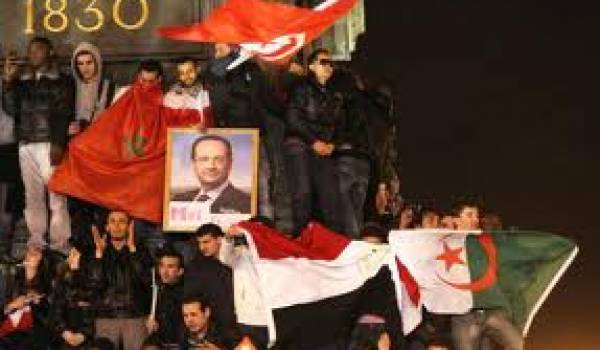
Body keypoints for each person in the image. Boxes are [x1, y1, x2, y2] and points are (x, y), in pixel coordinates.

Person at [2, 36, 74, 254]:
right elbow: (11, 109)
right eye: (30, 50)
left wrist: (58, 143)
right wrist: (8, 83)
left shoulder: (62, 81)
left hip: (49, 144)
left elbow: (63, 112)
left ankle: (60, 243)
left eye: (39, 49)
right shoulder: (22, 83)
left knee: (57, 197)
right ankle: (36, 240)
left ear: (50, 52)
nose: (33, 53)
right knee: (32, 196)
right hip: (26, 144)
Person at [283, 48, 345, 236]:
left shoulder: (336, 95)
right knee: (303, 194)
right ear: (311, 66)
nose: (328, 66)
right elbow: (293, 118)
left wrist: (333, 144)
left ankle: (331, 243)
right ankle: (301, 239)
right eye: (323, 62)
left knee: (330, 196)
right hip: (301, 143)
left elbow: (342, 126)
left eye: (330, 63)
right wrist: (313, 141)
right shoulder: (301, 87)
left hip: (324, 147)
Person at [450, 200, 524, 350]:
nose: (475, 220)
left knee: (517, 344)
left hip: (491, 312)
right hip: (465, 316)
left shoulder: (485, 241)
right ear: (456, 219)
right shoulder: (446, 243)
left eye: (476, 216)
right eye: (469, 215)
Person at [87, 210, 152, 350]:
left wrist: (132, 250)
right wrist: (99, 255)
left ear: (129, 227)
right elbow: (94, 285)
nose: (117, 226)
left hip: (135, 315)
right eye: (113, 221)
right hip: (106, 316)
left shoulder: (141, 251)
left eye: (122, 221)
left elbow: (147, 281)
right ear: (107, 227)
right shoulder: (96, 252)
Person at [172, 135, 251, 215]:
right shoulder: (177, 200)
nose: (211, 166)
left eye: (219, 160)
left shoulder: (247, 204)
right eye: (204, 159)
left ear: (230, 164)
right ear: (194, 164)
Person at [51, 247, 96, 349]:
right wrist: (64, 332)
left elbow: (92, 308)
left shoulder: (89, 281)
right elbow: (56, 310)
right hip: (63, 335)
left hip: (85, 336)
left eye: (76, 255)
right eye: (72, 255)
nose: (74, 257)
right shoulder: (59, 282)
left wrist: (84, 334)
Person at [145, 246, 185, 349]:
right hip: (160, 344)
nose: (164, 271)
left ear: (180, 271)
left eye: (170, 267)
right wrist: (149, 321)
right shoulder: (155, 290)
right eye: (162, 266)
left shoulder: (188, 294)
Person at [163, 57, 212, 124]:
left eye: (190, 71)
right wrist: (189, 128)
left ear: (198, 70)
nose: (187, 76)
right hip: (184, 134)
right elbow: (169, 128)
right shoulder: (170, 97)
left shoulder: (209, 93)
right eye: (182, 73)